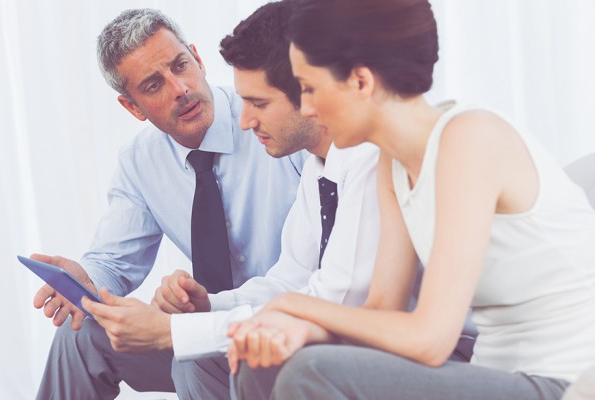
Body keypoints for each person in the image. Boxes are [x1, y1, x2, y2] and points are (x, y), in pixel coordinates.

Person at [228, 0, 595, 399]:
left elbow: (430, 340)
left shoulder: (471, 138)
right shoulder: (393, 163)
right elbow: (382, 313)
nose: (308, 108)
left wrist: (290, 306)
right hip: (493, 375)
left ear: (361, 82)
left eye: (310, 89)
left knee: (310, 371)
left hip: (564, 382)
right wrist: (291, 329)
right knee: (264, 361)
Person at [83, 1, 383, 397]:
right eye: (154, 84)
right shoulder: (317, 167)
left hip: (363, 349)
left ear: (306, 91)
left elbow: (334, 303)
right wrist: (206, 307)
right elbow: (286, 283)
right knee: (100, 339)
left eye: (257, 104)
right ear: (132, 106)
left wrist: (178, 331)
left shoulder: (363, 155)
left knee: (207, 360)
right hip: (290, 330)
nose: (243, 121)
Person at [30, 8, 309, 400]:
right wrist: (86, 280)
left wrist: (197, 323)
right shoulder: (140, 161)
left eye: (181, 65)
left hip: (283, 326)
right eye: (152, 85)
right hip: (210, 320)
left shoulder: (275, 124)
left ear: (198, 59)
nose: (179, 88)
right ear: (133, 108)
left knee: (193, 352)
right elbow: (112, 261)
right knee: (82, 336)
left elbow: (316, 273)